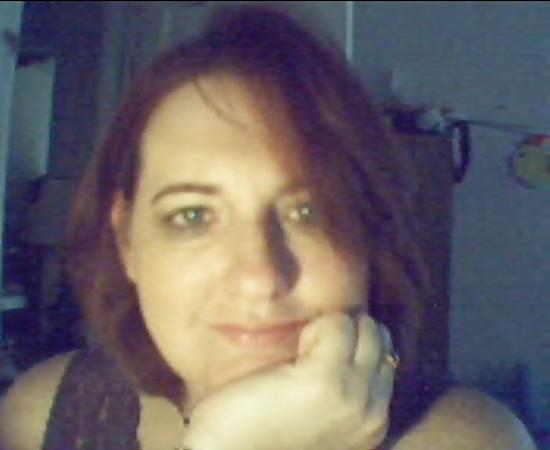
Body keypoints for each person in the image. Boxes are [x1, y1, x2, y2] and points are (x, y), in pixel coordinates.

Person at [0, 6, 537, 450]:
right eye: (193, 216)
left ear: (368, 236)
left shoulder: (472, 440)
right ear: (127, 244)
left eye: (309, 213)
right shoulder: (41, 415)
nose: (258, 277)